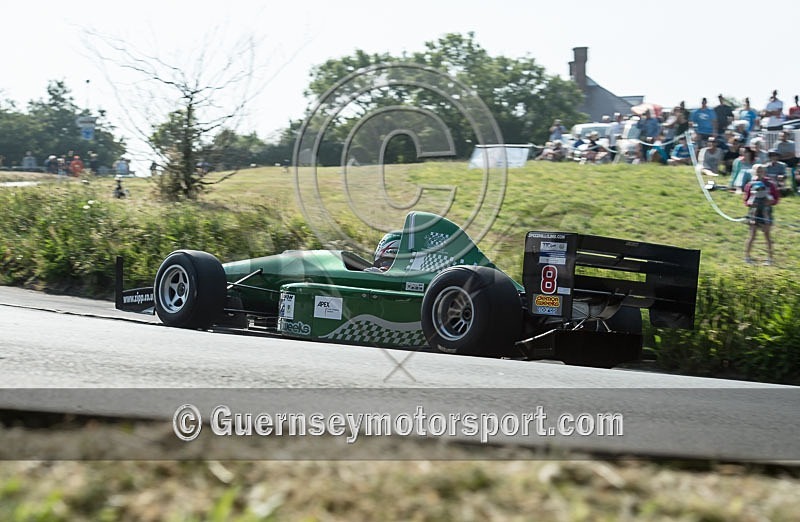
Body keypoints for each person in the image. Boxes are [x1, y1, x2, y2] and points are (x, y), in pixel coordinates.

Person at [743, 164, 779, 265]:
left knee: (767, 235)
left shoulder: (770, 184)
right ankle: (747, 257)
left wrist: (770, 202)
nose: (759, 173)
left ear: (764, 172)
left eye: (761, 171)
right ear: (754, 172)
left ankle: (770, 258)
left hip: (766, 212)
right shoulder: (750, 184)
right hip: (754, 213)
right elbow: (746, 199)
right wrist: (750, 203)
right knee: (752, 235)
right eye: (757, 171)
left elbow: (776, 198)